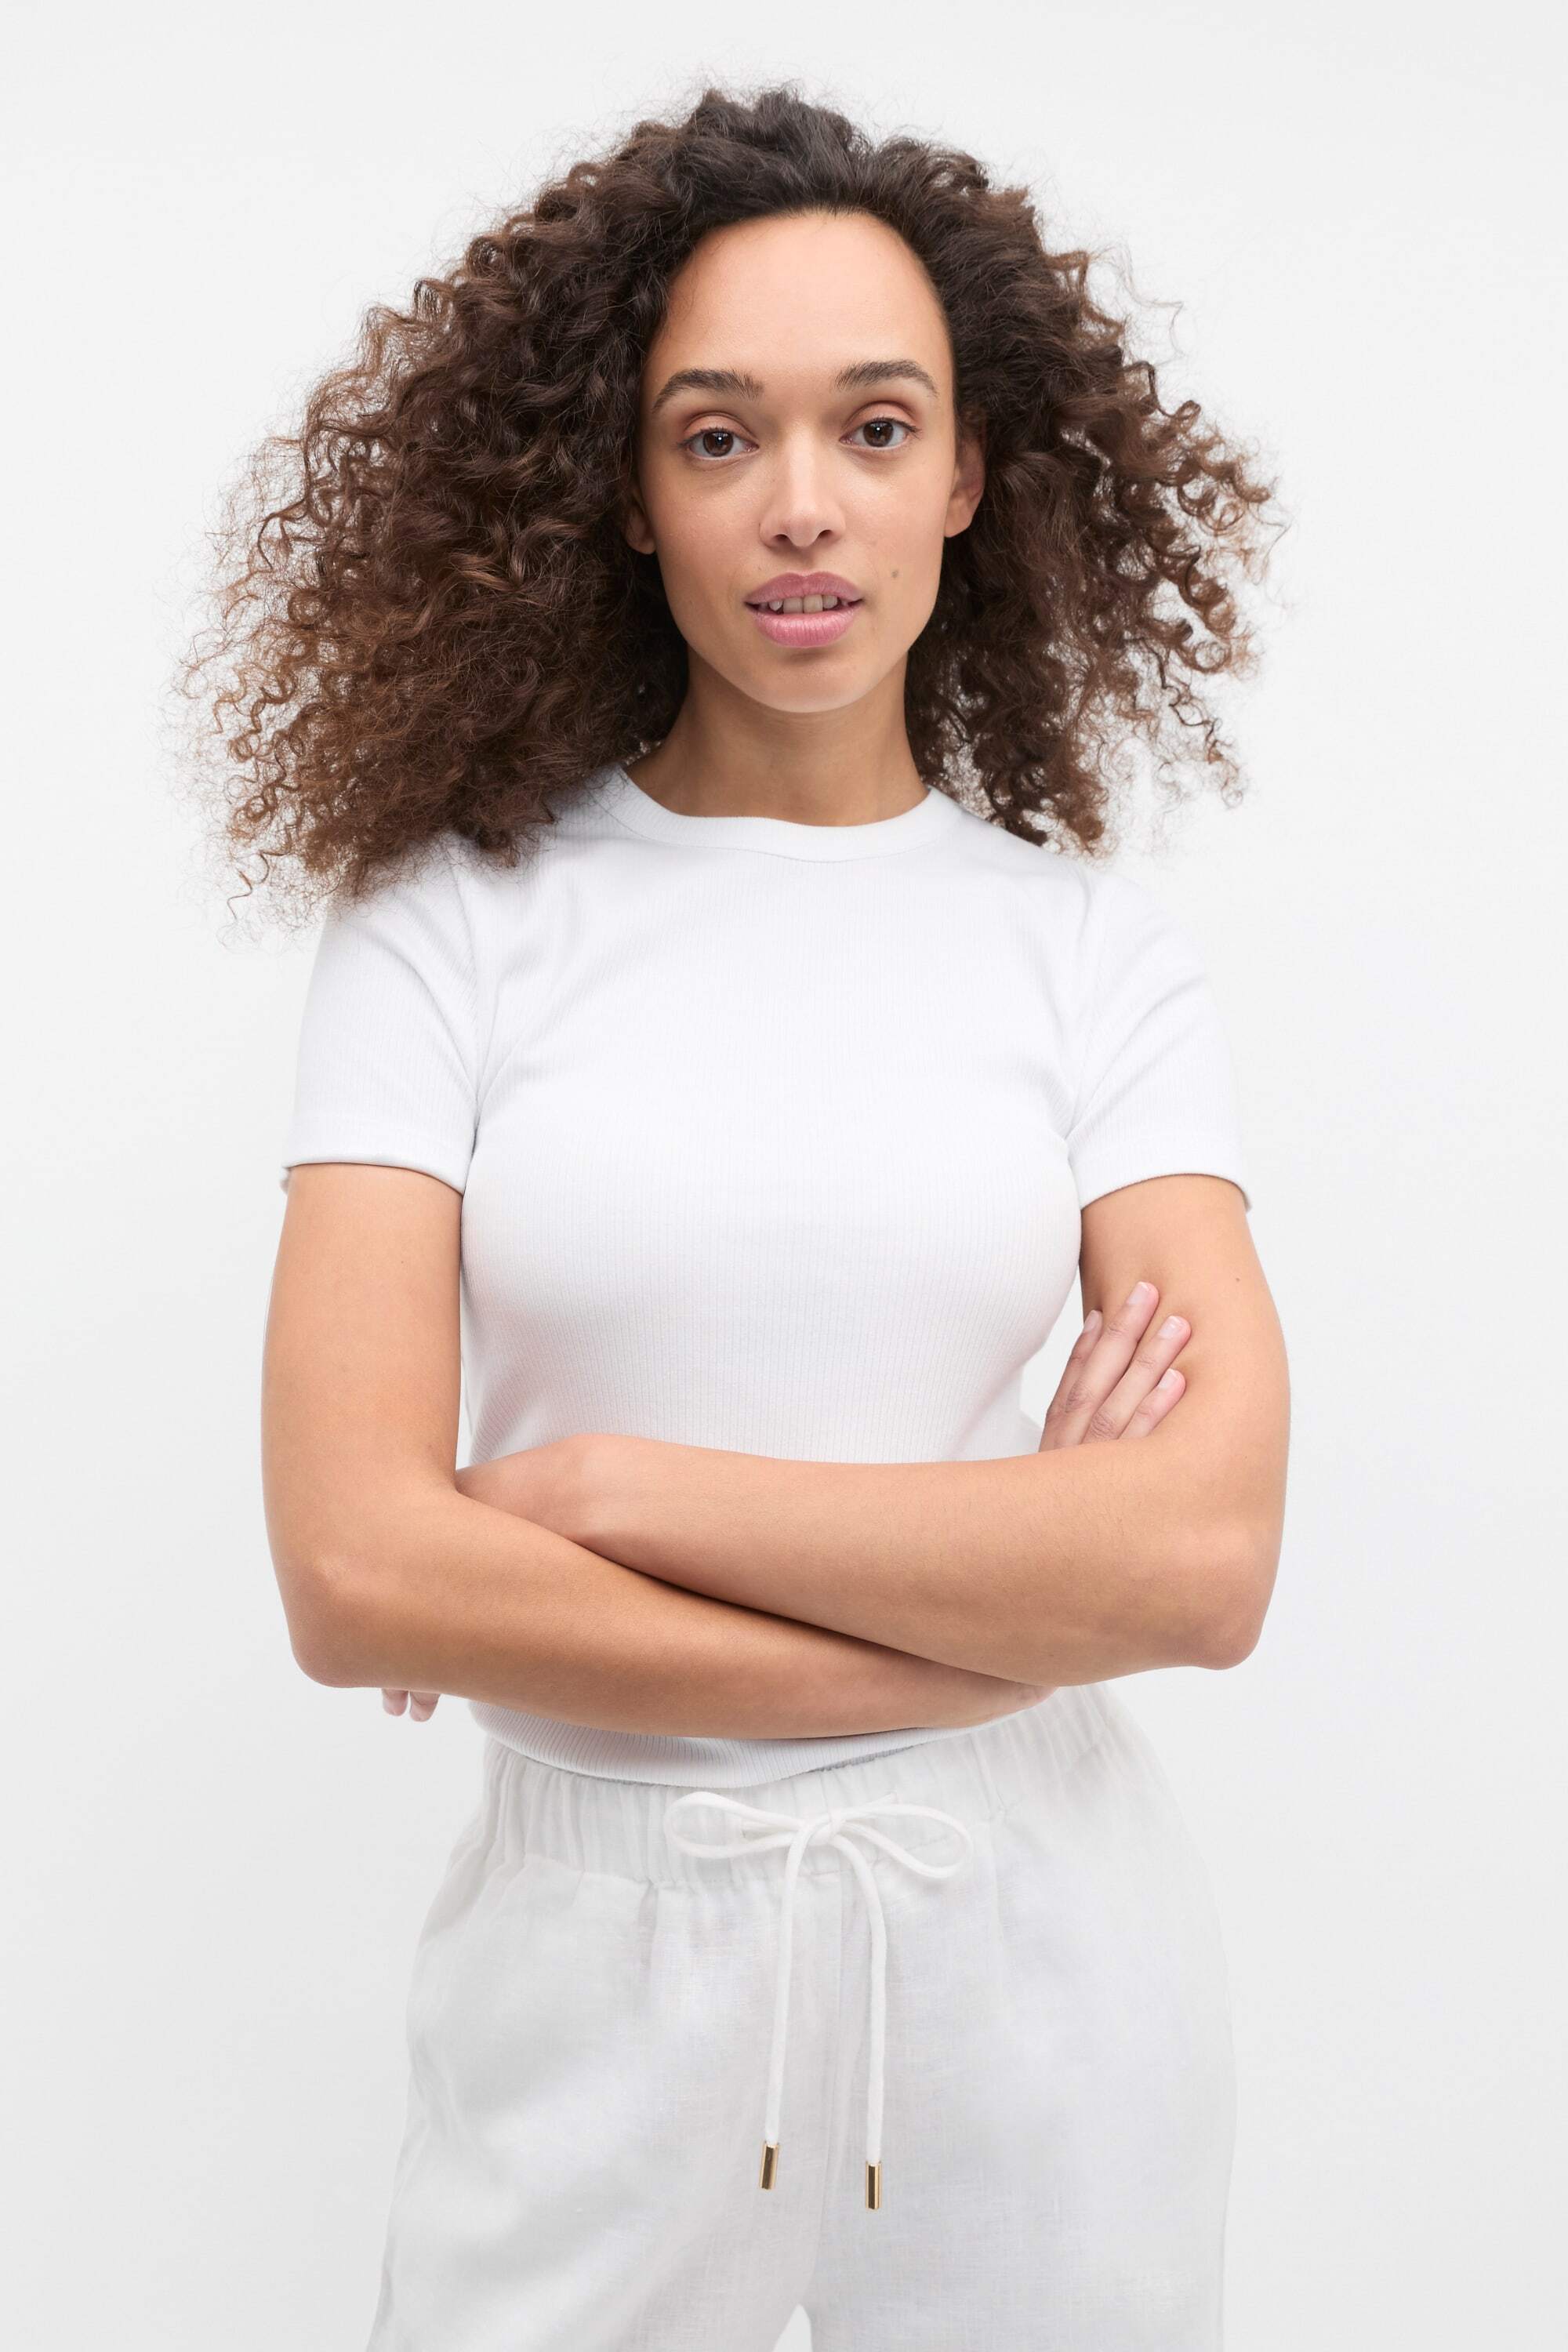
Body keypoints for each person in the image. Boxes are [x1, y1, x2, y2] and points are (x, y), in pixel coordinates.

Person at [192, 80, 1290, 2352]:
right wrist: (988, 1632)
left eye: (876, 429)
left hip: (1035, 1955)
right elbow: (359, 1572)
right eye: (719, 436)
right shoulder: (451, 930)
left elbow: (1199, 1561)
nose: (804, 503)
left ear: (967, 475)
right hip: (595, 1965)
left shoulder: (1089, 957)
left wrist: (599, 1496)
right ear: (624, 488)